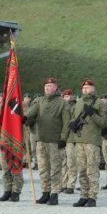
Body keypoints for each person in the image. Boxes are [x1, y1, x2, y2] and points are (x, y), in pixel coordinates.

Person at [24, 77, 69, 205]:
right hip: (41, 140)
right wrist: (25, 118)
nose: (48, 88)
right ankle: (45, 192)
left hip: (55, 141)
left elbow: (66, 123)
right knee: (43, 168)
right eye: (46, 86)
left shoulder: (62, 103)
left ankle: (54, 194)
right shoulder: (39, 101)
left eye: (51, 86)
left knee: (55, 169)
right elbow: (31, 113)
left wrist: (63, 138)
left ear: (56, 87)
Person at [67, 79, 107, 207]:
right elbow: (73, 118)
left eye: (88, 87)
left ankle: (92, 196)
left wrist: (93, 114)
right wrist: (72, 124)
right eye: (84, 88)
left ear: (93, 89)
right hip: (79, 141)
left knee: (92, 170)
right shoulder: (78, 103)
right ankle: (84, 195)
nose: (86, 90)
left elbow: (105, 123)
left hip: (92, 141)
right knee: (82, 170)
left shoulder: (99, 103)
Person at [61, 88, 79, 193]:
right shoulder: (61, 107)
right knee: (63, 163)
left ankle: (70, 185)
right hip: (62, 138)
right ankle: (63, 183)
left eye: (69, 96)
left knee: (71, 162)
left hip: (71, 138)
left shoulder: (75, 107)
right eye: (65, 96)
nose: (67, 98)